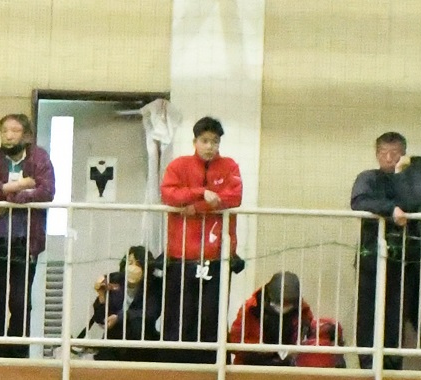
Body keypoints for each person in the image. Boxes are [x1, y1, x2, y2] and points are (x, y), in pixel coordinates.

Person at [156, 117, 242, 366]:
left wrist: (195, 207)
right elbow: (168, 194)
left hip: (216, 257)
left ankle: (212, 371)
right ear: (194, 141)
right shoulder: (178, 166)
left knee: (211, 317)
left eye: (215, 142)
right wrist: (199, 193)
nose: (210, 146)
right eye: (205, 141)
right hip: (181, 256)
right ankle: (172, 370)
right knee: (179, 316)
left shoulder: (229, 166)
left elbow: (233, 197)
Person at [351, 132, 421, 367]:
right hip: (373, 257)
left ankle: (391, 364)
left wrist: (402, 173)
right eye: (384, 153)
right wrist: (390, 210)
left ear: (404, 155)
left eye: (395, 153)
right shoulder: (368, 177)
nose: (389, 158)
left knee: (395, 315)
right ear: (376, 154)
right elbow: (359, 201)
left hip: (404, 259)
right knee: (368, 314)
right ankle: (368, 364)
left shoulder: (413, 180)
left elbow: (415, 201)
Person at [0, 114, 55, 358]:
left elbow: (47, 190)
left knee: (20, 301)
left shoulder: (39, 157)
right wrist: (15, 186)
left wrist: (8, 197)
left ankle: (18, 356)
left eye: (15, 130)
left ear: (26, 135)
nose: (9, 135)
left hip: (25, 242)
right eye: (4, 131)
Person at [227, 271, 343, 365]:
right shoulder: (251, 309)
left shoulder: (301, 310)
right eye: (280, 302)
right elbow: (235, 342)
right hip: (253, 364)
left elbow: (305, 335)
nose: (283, 306)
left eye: (288, 303)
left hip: (288, 364)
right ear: (270, 297)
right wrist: (262, 350)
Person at [84, 246, 162, 357]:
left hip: (142, 342)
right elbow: (101, 318)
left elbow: (150, 313)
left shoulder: (155, 284)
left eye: (138, 264)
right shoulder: (114, 280)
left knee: (136, 324)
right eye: (130, 263)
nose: (133, 268)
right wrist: (101, 295)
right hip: (114, 341)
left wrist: (120, 317)